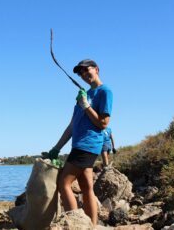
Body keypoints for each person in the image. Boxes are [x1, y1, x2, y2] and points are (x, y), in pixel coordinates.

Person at [47, 59, 113, 225]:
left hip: (88, 144)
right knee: (86, 188)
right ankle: (91, 225)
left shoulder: (105, 91)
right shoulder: (83, 96)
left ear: (96, 69)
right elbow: (71, 126)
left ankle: (75, 224)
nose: (84, 74)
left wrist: (86, 106)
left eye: (86, 70)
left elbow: (104, 123)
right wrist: (56, 148)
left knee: (64, 183)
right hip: (79, 145)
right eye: (80, 72)